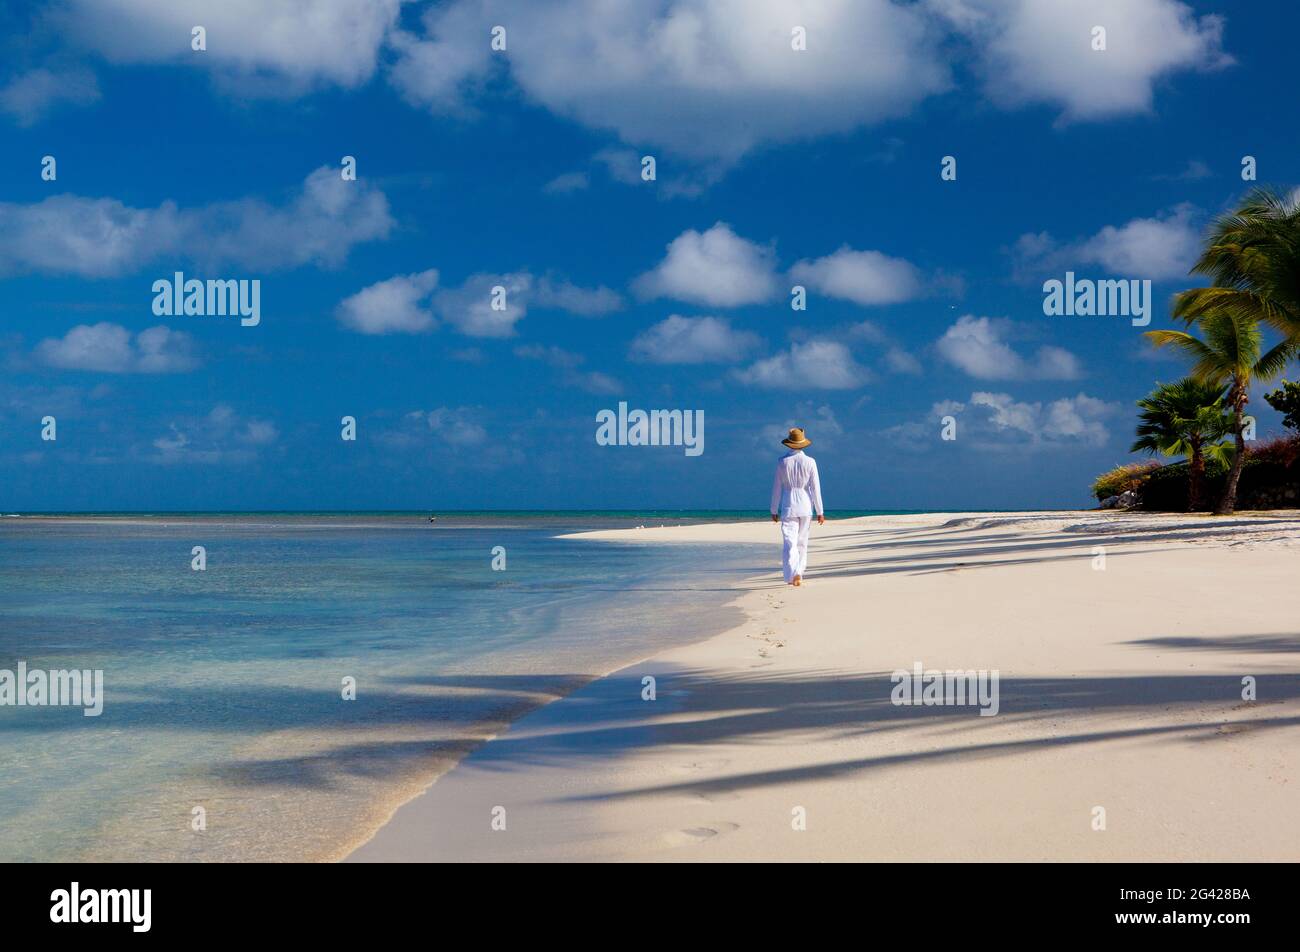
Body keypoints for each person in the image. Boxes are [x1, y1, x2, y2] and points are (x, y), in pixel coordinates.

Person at [769, 427, 824, 586]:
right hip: (806, 505)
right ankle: (799, 572)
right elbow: (815, 488)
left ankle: (792, 574)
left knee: (789, 542)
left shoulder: (782, 462)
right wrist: (820, 511)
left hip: (788, 504)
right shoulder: (810, 462)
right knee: (802, 542)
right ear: (802, 444)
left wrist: (773, 509)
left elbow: (777, 488)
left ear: (789, 444)